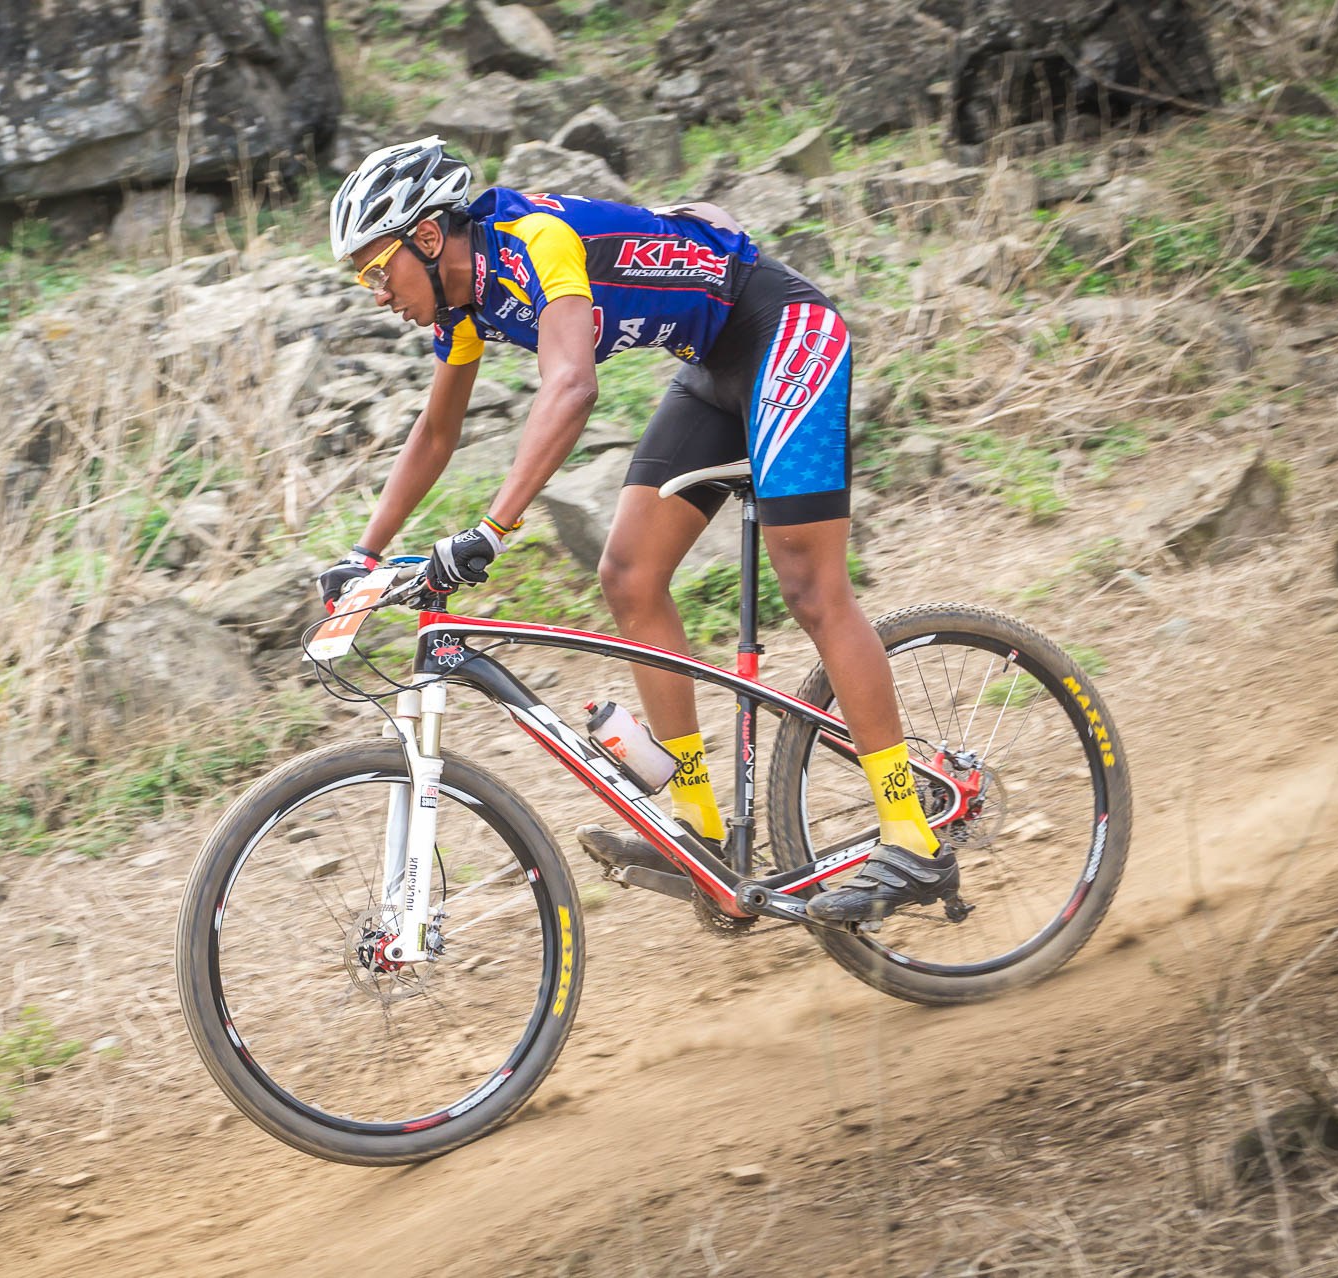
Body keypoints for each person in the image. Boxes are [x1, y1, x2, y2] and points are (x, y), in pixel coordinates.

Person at [314, 137, 956, 923]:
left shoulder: (530, 242)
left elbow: (572, 385)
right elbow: (436, 433)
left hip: (785, 331)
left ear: (426, 236)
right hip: (713, 366)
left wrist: (491, 530)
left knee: (810, 587)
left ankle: (911, 837)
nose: (375, 291)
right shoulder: (463, 305)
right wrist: (364, 551)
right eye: (361, 278)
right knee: (628, 576)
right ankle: (702, 830)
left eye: (378, 268)